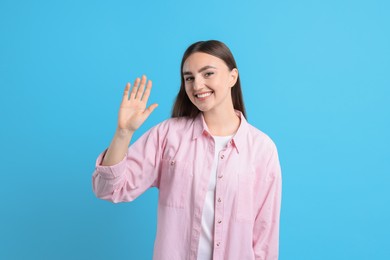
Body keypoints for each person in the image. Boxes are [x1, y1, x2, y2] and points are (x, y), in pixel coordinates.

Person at [92, 40, 282, 260]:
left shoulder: (262, 149)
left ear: (233, 76)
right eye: (189, 78)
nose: (197, 85)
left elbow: (265, 236)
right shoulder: (168, 135)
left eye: (208, 73)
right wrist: (123, 133)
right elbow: (108, 189)